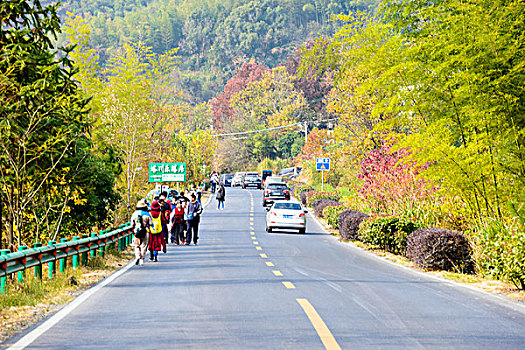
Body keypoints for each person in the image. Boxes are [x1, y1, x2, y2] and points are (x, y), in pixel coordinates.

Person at [130, 199, 152, 266]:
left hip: (136, 232)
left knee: (136, 246)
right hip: (144, 232)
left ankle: (137, 256)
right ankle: (142, 259)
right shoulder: (147, 214)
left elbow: (132, 224)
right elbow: (151, 223)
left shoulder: (134, 214)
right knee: (143, 246)